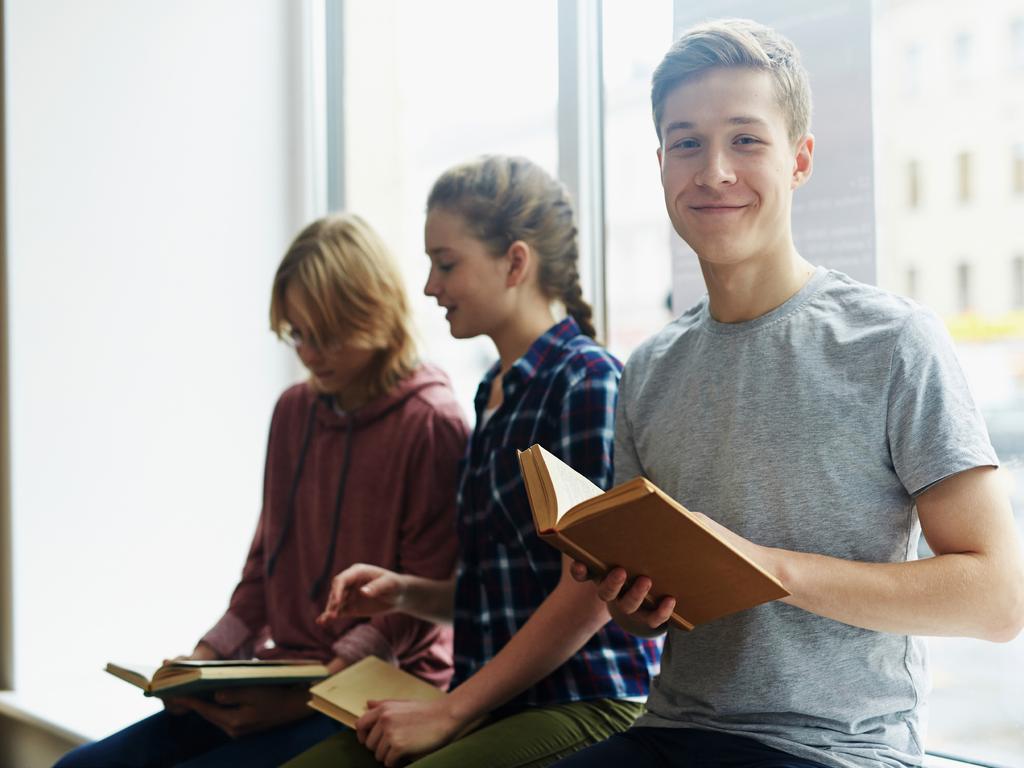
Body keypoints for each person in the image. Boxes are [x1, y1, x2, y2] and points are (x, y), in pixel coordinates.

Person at [550, 18, 1024, 768]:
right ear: (661, 164)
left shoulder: (894, 342)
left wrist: (771, 570)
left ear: (799, 160)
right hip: (672, 731)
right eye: (685, 143)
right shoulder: (647, 370)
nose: (713, 171)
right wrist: (634, 606)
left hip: (834, 749)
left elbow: (997, 598)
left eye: (745, 140)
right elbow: (648, 612)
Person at [285, 155, 661, 768]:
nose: (430, 286)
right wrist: (405, 592)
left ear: (515, 262)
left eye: (446, 263)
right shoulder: (492, 394)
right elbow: (502, 590)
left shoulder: (587, 382)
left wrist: (451, 710)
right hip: (497, 702)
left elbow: (590, 596)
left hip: (584, 700)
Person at [55, 213, 468, 768]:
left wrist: (305, 695)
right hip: (284, 674)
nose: (308, 353)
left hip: (381, 692)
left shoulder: (431, 422)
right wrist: (201, 664)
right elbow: (263, 570)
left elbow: (418, 608)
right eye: (296, 334)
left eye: (325, 336)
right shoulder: (293, 411)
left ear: (374, 314)